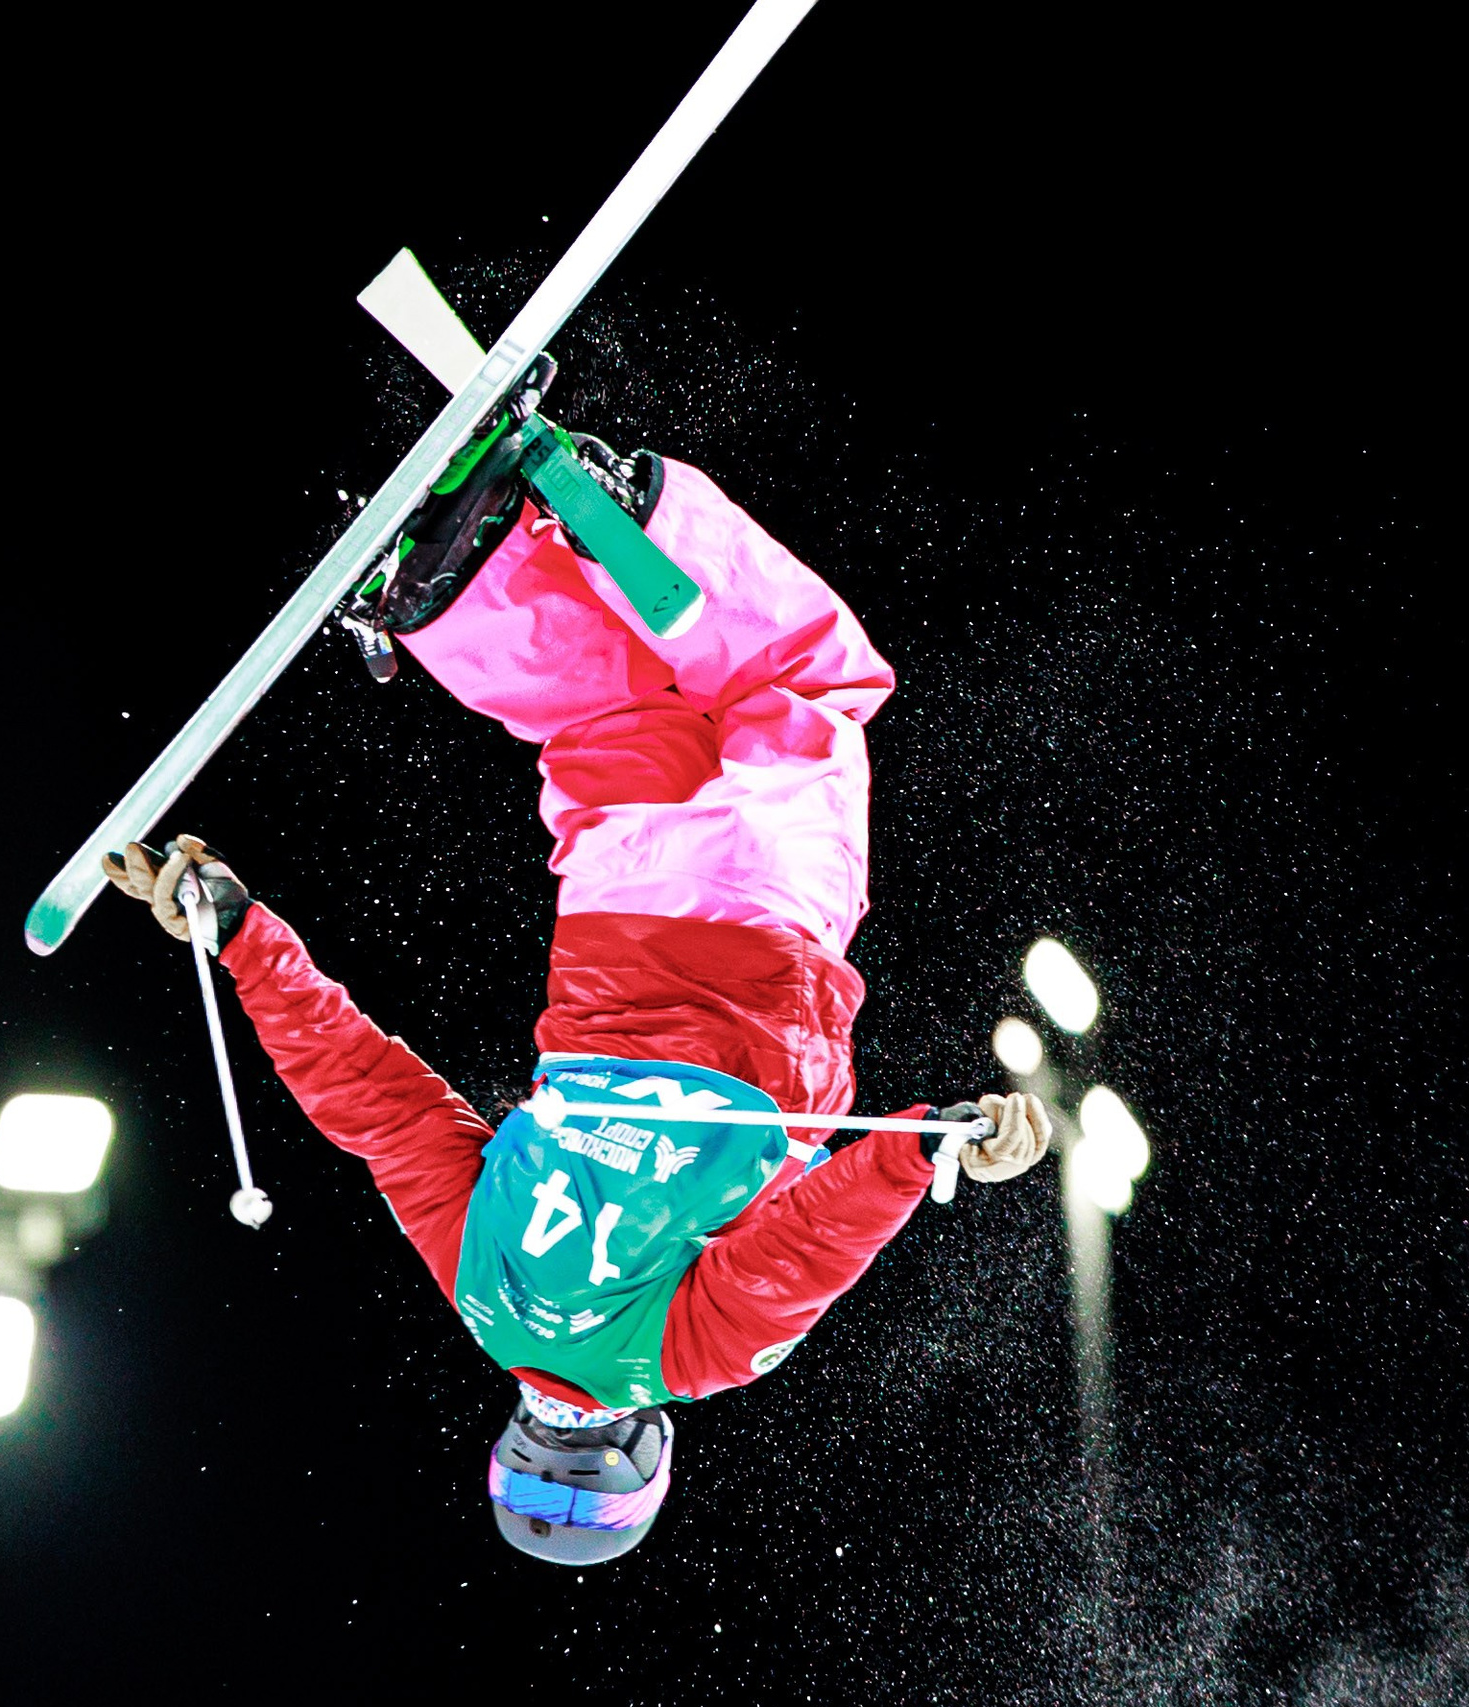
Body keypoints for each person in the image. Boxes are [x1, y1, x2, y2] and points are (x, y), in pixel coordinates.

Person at [105, 415, 1052, 1564]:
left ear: (639, 1456)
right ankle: (450, 587)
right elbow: (373, 1105)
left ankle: (629, 504)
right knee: (613, 717)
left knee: (805, 685)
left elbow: (810, 1241)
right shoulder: (479, 1290)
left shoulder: (683, 1355)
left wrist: (932, 1146)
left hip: (756, 942)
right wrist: (246, 938)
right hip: (607, 920)